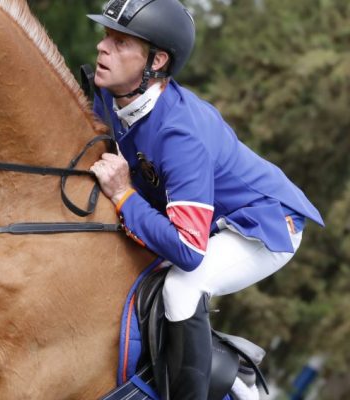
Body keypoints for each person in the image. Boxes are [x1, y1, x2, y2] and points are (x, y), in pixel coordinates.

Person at [85, 0, 324, 399]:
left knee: (182, 288)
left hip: (262, 224)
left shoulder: (181, 135)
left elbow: (188, 249)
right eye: (107, 35)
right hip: (202, 218)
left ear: (156, 61)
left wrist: (125, 195)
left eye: (121, 41)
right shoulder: (110, 95)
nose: (102, 47)